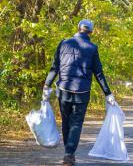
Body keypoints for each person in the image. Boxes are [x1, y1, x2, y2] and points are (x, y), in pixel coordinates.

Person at [42, 19, 116, 166]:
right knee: (76, 123)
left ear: (78, 28)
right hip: (82, 91)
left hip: (64, 89)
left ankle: (68, 152)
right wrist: (108, 93)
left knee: (66, 121)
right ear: (91, 32)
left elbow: (54, 67)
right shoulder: (92, 48)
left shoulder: (64, 43)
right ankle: (69, 154)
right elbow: (98, 73)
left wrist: (46, 85)